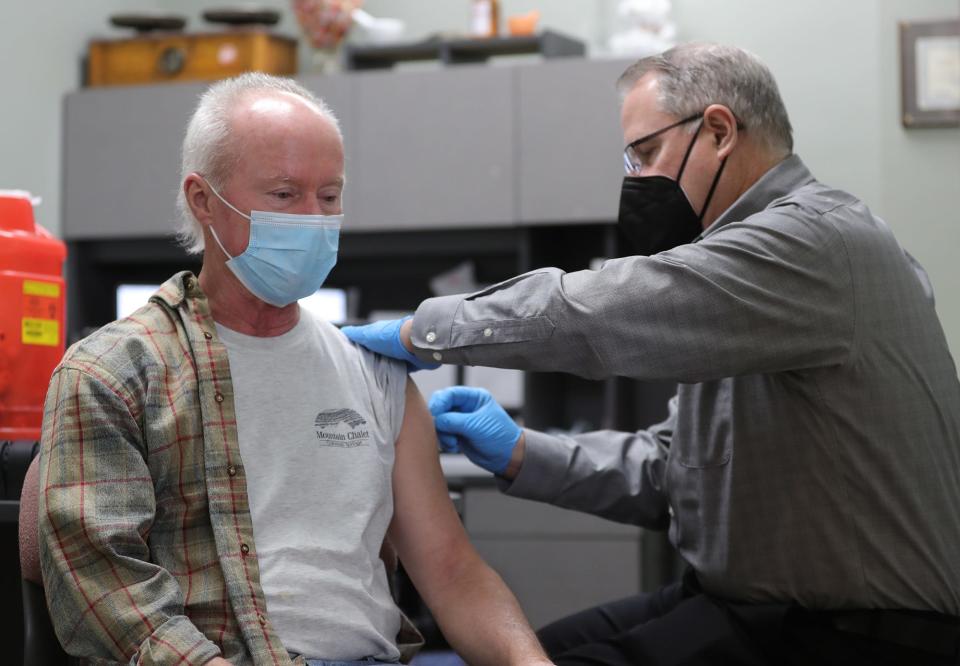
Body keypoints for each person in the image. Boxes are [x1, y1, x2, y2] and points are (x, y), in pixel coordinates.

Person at [342, 43, 960, 665]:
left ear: (719, 130)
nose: (636, 181)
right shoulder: (750, 289)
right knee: (522, 653)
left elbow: (596, 313)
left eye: (645, 154)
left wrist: (422, 331)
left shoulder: (812, 241)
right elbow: (675, 470)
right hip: (738, 605)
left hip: (848, 635)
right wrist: (522, 451)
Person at [38, 73, 551, 666]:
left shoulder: (376, 375)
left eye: (329, 196)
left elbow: (454, 573)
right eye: (284, 195)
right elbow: (108, 597)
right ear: (203, 199)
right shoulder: (115, 374)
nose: (312, 218)